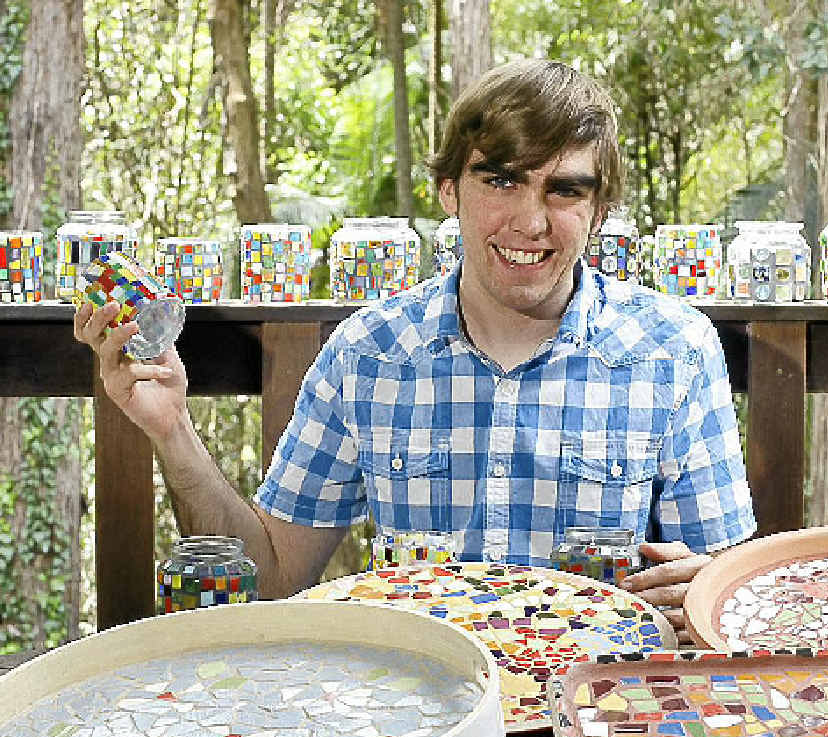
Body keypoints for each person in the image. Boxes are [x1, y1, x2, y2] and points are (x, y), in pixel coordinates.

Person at [74, 59, 755, 642]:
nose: (531, 221)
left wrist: (715, 593)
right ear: (449, 191)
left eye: (565, 189)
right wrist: (172, 428)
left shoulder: (675, 351)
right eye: (502, 180)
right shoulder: (367, 354)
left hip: (598, 704)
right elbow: (272, 575)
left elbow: (727, 598)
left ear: (598, 210)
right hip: (420, 711)